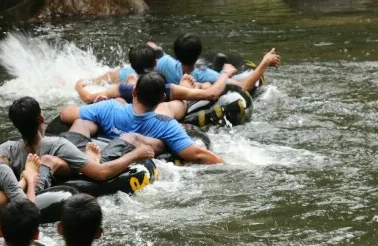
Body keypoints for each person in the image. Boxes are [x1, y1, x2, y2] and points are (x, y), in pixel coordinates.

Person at [60, 72, 224, 164]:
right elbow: (197, 154)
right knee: (169, 108)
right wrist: (226, 165)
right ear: (161, 98)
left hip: (104, 141)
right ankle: (184, 89)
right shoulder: (166, 124)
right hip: (142, 139)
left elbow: (66, 114)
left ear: (133, 92)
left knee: (95, 113)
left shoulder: (108, 107)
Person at [0, 96, 155, 187]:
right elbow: (101, 174)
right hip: (65, 153)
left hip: (68, 146)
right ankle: (90, 158)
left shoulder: (7, 150)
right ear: (41, 118)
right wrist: (136, 154)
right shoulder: (57, 146)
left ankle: (88, 156)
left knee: (80, 125)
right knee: (128, 139)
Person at [74, 44, 231, 120]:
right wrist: (225, 73)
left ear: (132, 67)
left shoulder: (124, 89)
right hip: (171, 108)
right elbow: (211, 94)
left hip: (134, 111)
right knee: (202, 85)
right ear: (156, 63)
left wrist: (78, 86)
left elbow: (88, 98)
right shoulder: (167, 89)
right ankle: (204, 78)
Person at [152, 33, 281, 91]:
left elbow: (151, 50)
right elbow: (243, 86)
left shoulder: (164, 62)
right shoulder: (205, 75)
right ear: (199, 54)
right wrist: (265, 62)